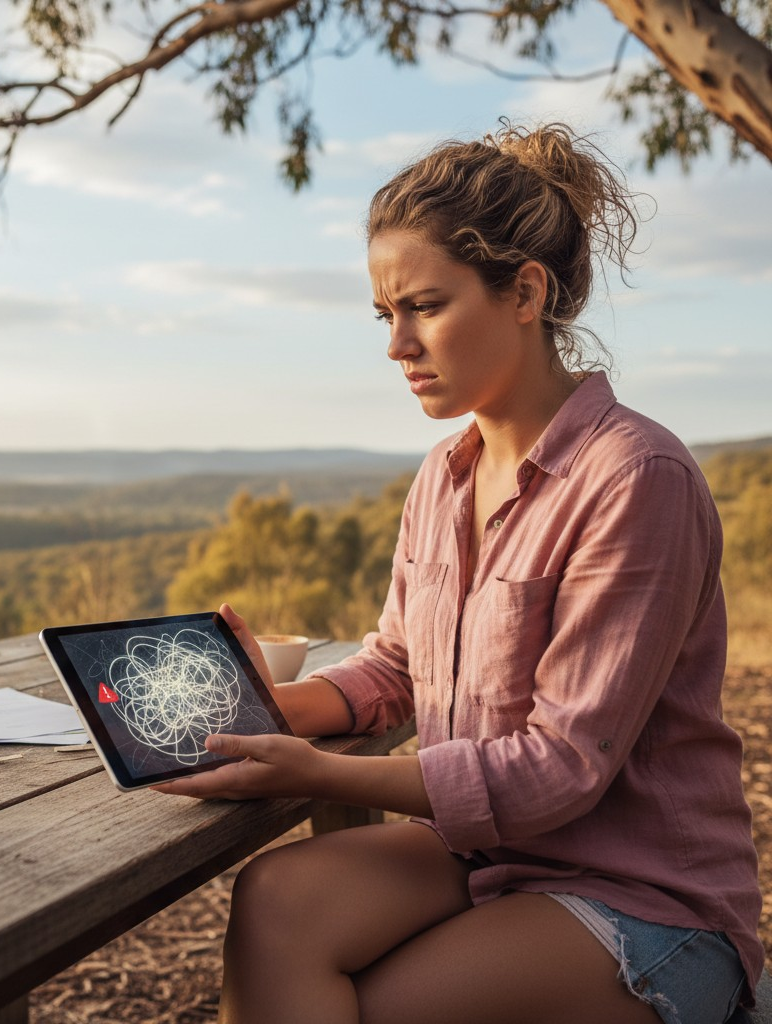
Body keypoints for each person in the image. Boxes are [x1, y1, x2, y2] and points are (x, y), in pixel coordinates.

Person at [153, 121, 765, 1024]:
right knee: (275, 900)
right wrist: (263, 710)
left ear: (525, 292)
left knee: (381, 1006)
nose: (396, 344)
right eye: (384, 314)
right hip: (486, 856)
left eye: (425, 307)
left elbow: (559, 771)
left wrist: (315, 774)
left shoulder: (637, 479)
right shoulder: (446, 476)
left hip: (641, 896)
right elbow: (398, 665)